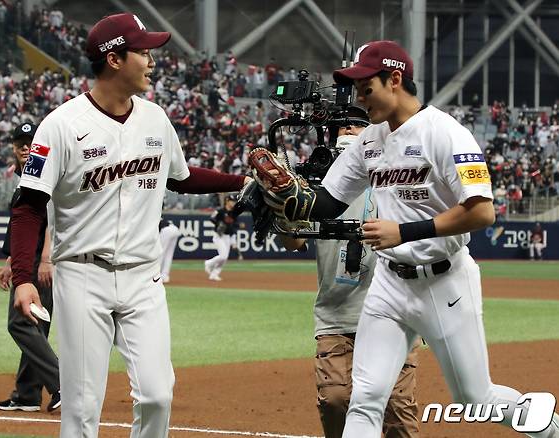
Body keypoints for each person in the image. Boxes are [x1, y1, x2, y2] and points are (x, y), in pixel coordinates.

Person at [252, 40, 558, 438]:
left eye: (367, 89)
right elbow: (326, 203)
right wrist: (284, 196)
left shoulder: (445, 133)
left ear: (395, 79)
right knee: (365, 399)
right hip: (390, 285)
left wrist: (405, 231)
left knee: (475, 399)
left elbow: (483, 212)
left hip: (445, 282)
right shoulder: (370, 141)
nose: (361, 100)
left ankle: (550, 428)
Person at [9, 13, 249, 438]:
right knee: (82, 408)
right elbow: (29, 207)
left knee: (158, 395)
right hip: (83, 275)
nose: (152, 60)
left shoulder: (155, 118)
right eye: (143, 52)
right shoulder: (61, 125)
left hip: (143, 276)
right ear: (115, 59)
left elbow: (181, 176)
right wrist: (24, 277)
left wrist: (243, 182)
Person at [281, 107, 420, 438]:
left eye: (357, 126)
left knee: (397, 407)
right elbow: (293, 239)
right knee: (335, 400)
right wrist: (282, 202)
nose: (348, 133)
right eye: (341, 127)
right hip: (337, 313)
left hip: (394, 310)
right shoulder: (321, 185)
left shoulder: (398, 175)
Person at [0, 122, 60, 413]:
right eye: (20, 142)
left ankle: (61, 383)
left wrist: (46, 258)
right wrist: (12, 260)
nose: (25, 146)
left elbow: (51, 219)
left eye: (30, 141)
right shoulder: (26, 176)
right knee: (36, 327)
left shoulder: (46, 172)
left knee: (20, 323)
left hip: (42, 262)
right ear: (13, 147)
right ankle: (27, 394)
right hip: (30, 260)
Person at [205, 195, 240, 281]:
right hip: (219, 236)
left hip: (227, 236)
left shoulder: (233, 213)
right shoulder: (220, 211)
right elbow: (212, 218)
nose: (233, 203)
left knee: (224, 258)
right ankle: (208, 263)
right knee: (223, 256)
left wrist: (233, 241)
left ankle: (214, 274)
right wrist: (218, 223)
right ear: (227, 201)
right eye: (232, 201)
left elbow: (234, 226)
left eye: (234, 201)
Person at [158, 217, 180, 283]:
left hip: (166, 231)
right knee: (168, 255)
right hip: (175, 229)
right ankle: (165, 276)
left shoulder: (150, 217)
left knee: (160, 253)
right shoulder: (156, 215)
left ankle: (156, 276)